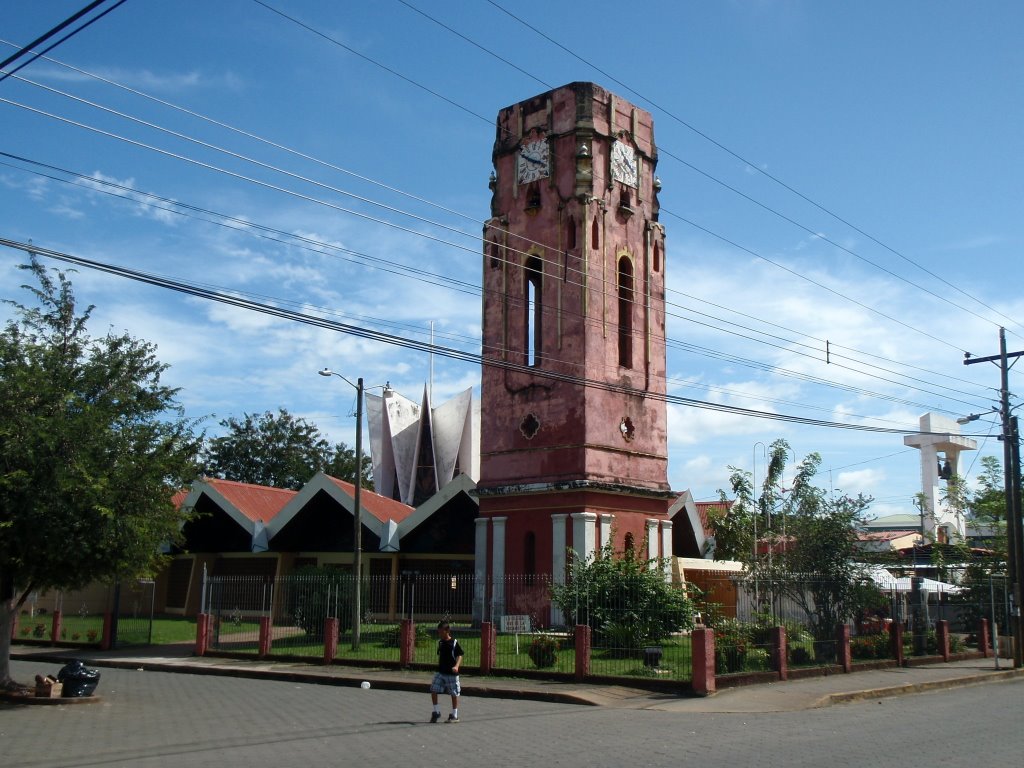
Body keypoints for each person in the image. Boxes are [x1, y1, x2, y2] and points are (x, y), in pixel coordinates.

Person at [429, 620, 463, 723]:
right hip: (441, 672)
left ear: (447, 631)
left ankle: (454, 715)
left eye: (441, 632)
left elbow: (460, 655)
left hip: (451, 673)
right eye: (438, 632)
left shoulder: (454, 643)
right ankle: (437, 711)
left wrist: (456, 666)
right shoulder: (441, 642)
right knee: (433, 689)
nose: (439, 634)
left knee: (454, 694)